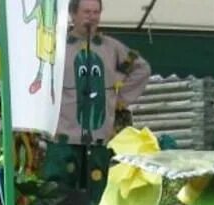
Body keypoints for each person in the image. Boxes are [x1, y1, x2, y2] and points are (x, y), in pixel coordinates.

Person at [55, 0, 151, 147]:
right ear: (73, 14)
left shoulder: (111, 47)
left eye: (96, 12)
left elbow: (142, 68)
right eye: (87, 12)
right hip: (64, 137)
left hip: (101, 139)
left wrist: (120, 98)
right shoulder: (59, 46)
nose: (92, 17)